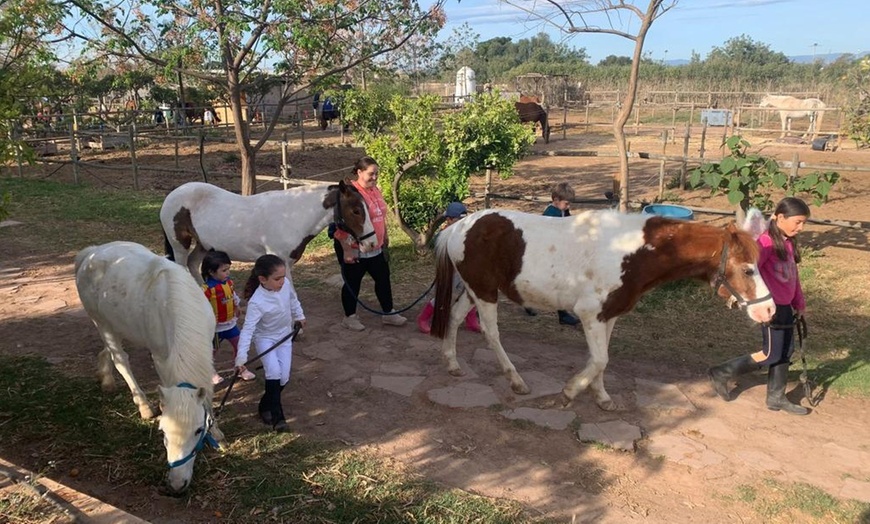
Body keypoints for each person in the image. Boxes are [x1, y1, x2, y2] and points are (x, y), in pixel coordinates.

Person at [708, 197, 811, 415]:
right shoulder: (764, 243)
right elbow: (749, 273)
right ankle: (722, 372)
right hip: (770, 307)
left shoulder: (788, 242)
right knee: (771, 353)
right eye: (798, 222)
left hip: (786, 307)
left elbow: (794, 276)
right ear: (780, 217)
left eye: (804, 223)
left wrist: (798, 302)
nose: (801, 227)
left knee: (786, 351)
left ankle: (776, 398)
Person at [332, 157, 407, 331]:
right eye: (371, 174)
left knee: (383, 279)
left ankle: (389, 313)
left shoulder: (375, 190)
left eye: (376, 174)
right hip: (356, 247)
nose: (375, 177)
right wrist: (347, 250)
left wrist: (385, 235)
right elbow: (340, 224)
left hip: (376, 245)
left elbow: (380, 215)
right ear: (359, 172)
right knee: (353, 282)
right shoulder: (350, 193)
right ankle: (349, 317)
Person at [234, 255, 306, 432]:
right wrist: (241, 357)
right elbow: (248, 330)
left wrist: (299, 315)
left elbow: (292, 300)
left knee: (284, 378)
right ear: (262, 279)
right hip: (265, 339)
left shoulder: (285, 285)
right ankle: (278, 418)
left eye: (283, 277)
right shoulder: (257, 302)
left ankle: (265, 405)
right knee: (273, 372)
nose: (282, 282)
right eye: (277, 279)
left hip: (284, 337)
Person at [416, 202, 481, 334]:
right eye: (455, 219)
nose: (461, 222)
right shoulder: (443, 235)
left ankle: (471, 320)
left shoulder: (468, 232)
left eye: (463, 219)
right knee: (447, 296)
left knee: (471, 294)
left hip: (466, 270)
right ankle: (423, 318)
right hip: (451, 271)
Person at [201, 251, 254, 384]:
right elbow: (201, 306)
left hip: (230, 326)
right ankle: (209, 370)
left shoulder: (229, 283)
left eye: (228, 269)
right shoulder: (207, 290)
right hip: (216, 330)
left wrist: (237, 306)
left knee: (239, 345)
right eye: (224, 270)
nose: (228, 273)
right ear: (211, 272)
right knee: (213, 350)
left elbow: (232, 296)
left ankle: (240, 368)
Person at [531, 182, 579, 326]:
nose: (568, 206)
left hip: (558, 253)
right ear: (556, 200)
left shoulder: (563, 211)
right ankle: (528, 301)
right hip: (548, 253)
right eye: (566, 203)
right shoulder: (550, 214)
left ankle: (562, 313)